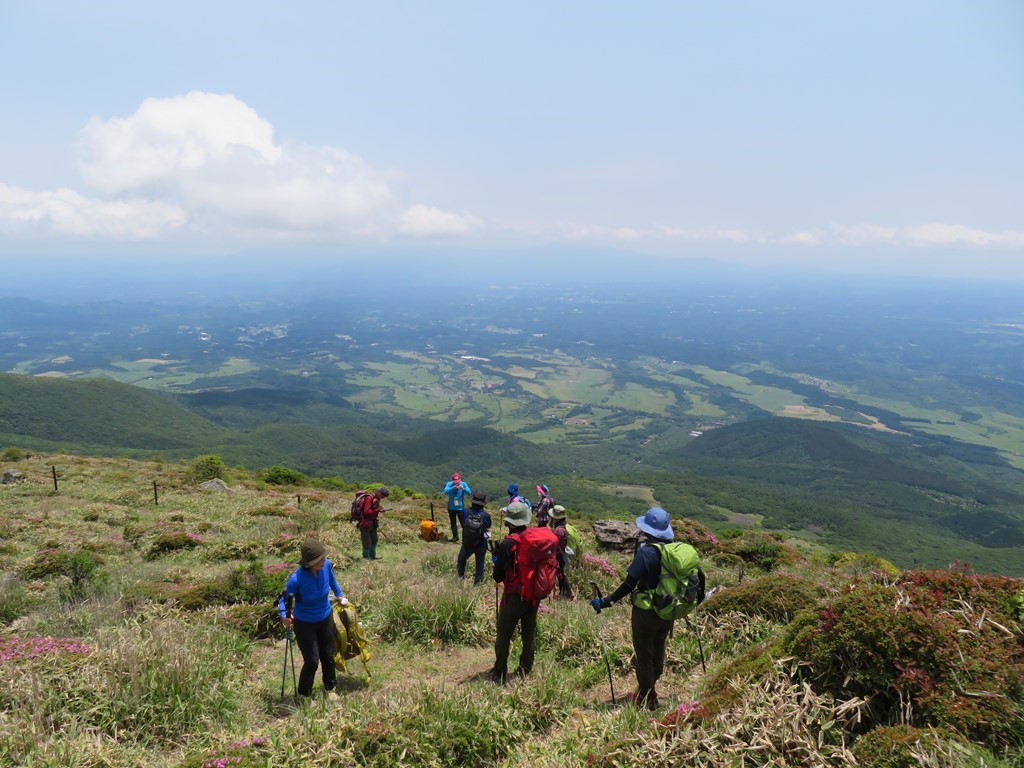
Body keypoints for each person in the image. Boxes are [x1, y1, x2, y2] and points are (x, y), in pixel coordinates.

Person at [589, 506, 676, 710]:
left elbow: (629, 585)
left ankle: (646, 697)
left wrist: (605, 602)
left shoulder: (646, 553)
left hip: (646, 612)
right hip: (667, 610)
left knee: (644, 654)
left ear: (647, 530)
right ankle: (650, 689)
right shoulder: (674, 551)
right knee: (658, 647)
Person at [278, 538, 345, 698]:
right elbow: (282, 600)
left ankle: (330, 689)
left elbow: (332, 580)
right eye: (319, 559)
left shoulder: (326, 565)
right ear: (310, 563)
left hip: (325, 618)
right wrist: (284, 616)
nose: (323, 561)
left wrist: (340, 594)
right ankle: (304, 694)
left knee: (328, 656)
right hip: (304, 624)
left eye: (323, 557)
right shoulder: (296, 579)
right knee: (312, 661)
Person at [490, 500, 538, 683]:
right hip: (534, 594)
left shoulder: (507, 544)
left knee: (504, 633)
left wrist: (497, 558)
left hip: (514, 595)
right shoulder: (534, 540)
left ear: (509, 522)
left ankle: (499, 671)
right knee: (529, 633)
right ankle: (525, 670)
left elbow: (498, 577)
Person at [457, 489, 492, 585]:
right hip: (481, 544)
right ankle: (477, 584)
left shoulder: (465, 511)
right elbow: (488, 529)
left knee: (461, 559)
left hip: (467, 542)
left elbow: (463, 524)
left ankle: (460, 578)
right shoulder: (486, 516)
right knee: (480, 565)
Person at [355, 486, 389, 560]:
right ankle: (365, 557)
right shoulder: (369, 498)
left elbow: (374, 509)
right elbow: (366, 512)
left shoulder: (376, 499)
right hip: (365, 523)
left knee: (374, 540)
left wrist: (380, 510)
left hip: (373, 523)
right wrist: (377, 510)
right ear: (378, 493)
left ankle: (372, 555)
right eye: (382, 496)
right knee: (366, 541)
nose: (383, 498)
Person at [549, 505, 573, 599]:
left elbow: (554, 544)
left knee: (560, 575)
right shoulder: (562, 527)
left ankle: (566, 593)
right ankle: (566, 593)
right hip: (561, 554)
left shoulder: (558, 530)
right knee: (561, 574)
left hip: (558, 555)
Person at [442, 472, 472, 543]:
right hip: (451, 508)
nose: (456, 483)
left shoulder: (463, 484)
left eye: (458, 482)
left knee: (463, 524)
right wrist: (452, 488)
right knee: (453, 523)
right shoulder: (449, 484)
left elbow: (469, 493)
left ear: (460, 480)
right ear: (452, 480)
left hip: (460, 508)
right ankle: (455, 537)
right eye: (455, 482)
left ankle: (465, 539)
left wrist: (463, 489)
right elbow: (445, 492)